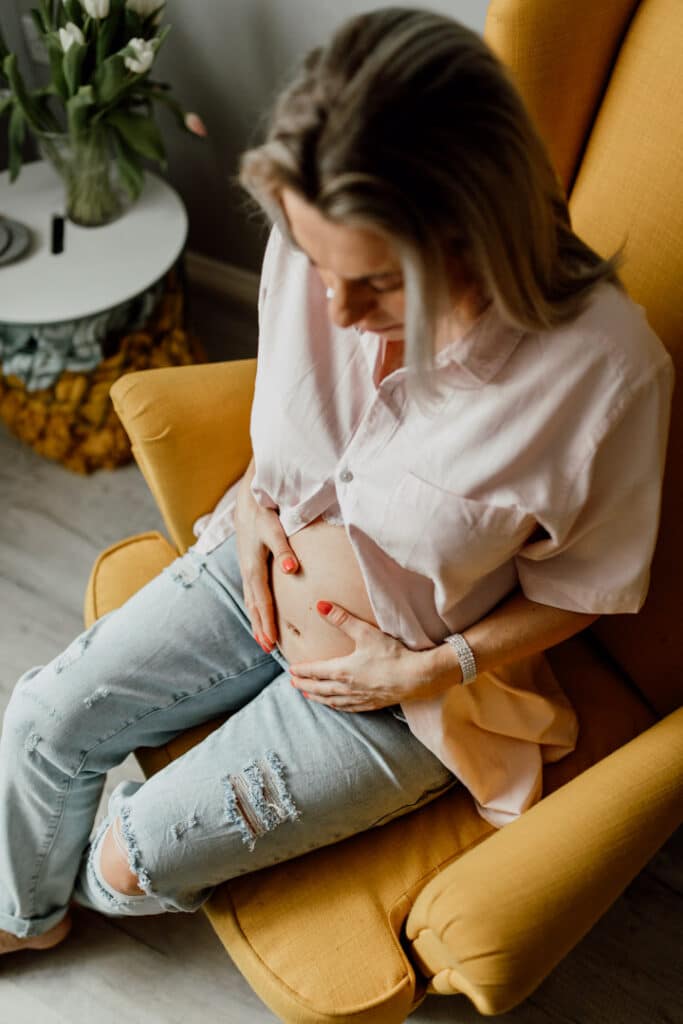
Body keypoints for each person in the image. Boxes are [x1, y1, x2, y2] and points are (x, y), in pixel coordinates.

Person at [0, 7, 673, 956]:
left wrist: (425, 669)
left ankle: (93, 882)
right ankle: (23, 922)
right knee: (39, 720)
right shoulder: (319, 242)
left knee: (129, 855)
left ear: (479, 231)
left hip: (404, 692)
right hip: (251, 574)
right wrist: (251, 508)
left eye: (379, 284)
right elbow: (290, 433)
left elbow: (588, 595)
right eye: (317, 263)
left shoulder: (603, 376)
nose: (338, 309)